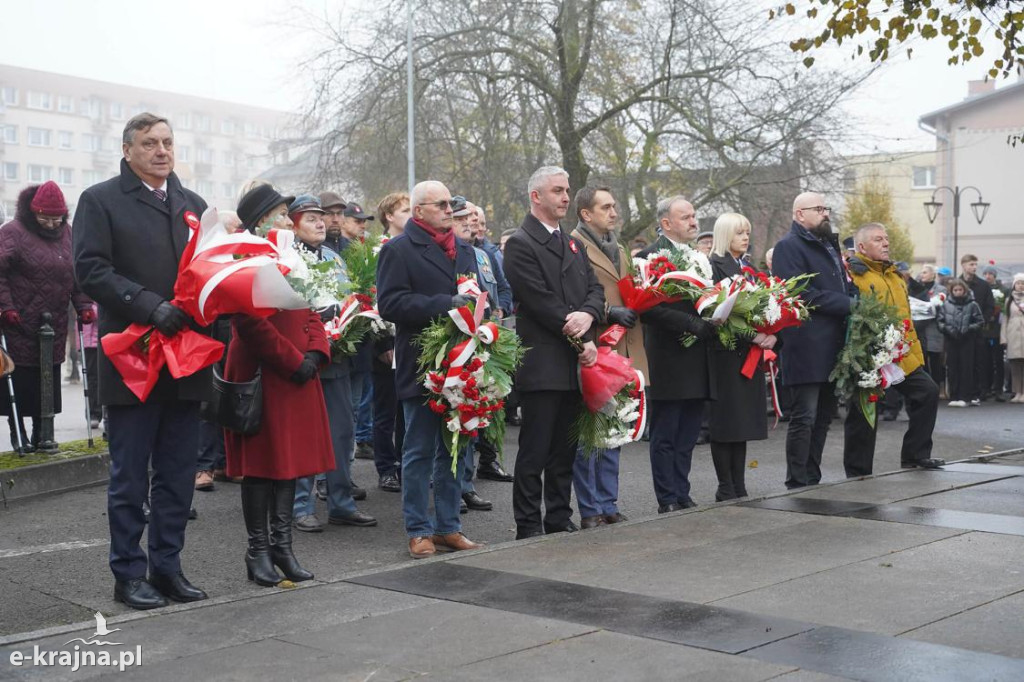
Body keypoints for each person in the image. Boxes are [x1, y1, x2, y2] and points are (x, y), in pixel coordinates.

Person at [73, 113, 210, 609]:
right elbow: (90, 269)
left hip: (186, 357)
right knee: (130, 474)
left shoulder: (193, 205)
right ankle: (128, 574)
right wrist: (149, 305)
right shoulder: (101, 200)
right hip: (134, 354)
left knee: (176, 472)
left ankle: (168, 568)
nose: (161, 150)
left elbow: (208, 275)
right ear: (127, 150)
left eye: (168, 142)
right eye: (149, 143)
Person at [223, 185, 336, 587]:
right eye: (281, 213)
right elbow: (248, 322)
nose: (289, 220)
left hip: (296, 372)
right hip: (264, 372)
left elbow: (312, 309)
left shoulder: (292, 256)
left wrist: (315, 353)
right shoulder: (242, 259)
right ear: (260, 221)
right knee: (261, 466)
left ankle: (282, 548)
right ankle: (258, 551)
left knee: (288, 464)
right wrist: (293, 361)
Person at [377, 180, 485, 559]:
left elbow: (477, 295)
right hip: (423, 362)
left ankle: (448, 526)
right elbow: (390, 304)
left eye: (450, 203)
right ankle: (418, 529)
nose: (448, 209)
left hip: (463, 359)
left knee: (456, 446)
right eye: (440, 204)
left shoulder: (466, 250)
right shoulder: (399, 250)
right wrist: (446, 303)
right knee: (419, 449)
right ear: (419, 210)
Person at [503, 166, 604, 539]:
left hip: (574, 362)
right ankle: (528, 524)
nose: (566, 197)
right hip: (545, 361)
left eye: (566, 190)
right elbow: (539, 300)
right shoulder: (520, 243)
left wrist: (589, 313)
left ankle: (559, 517)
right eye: (558, 191)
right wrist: (580, 331)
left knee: (565, 449)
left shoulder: (572, 243)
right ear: (536, 197)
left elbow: (594, 288)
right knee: (535, 450)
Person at [286, 194, 377, 532]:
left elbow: (348, 297)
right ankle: (300, 507)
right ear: (293, 224)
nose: (321, 223)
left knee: (341, 432)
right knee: (306, 435)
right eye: (311, 218)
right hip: (303, 358)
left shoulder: (334, 258)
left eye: (321, 217)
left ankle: (341, 503)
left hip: (337, 356)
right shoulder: (285, 258)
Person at [570, 186, 646, 526]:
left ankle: (608, 501)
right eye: (606, 207)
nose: (614, 212)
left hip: (623, 346)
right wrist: (608, 311)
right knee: (591, 430)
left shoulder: (619, 247)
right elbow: (573, 293)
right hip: (594, 344)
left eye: (614, 206)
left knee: (616, 426)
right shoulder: (573, 244)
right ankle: (590, 508)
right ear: (587, 214)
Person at [842, 224, 944, 475]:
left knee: (928, 392)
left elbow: (905, 317)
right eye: (878, 239)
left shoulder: (896, 274)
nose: (886, 243)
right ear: (862, 247)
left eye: (886, 239)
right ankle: (858, 472)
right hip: (867, 354)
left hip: (900, 353)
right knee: (863, 414)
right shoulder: (854, 274)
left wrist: (914, 354)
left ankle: (915, 455)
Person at [0, 181, 93, 451]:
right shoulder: (12, 233)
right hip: (17, 321)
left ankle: (43, 434)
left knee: (47, 380)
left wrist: (83, 305)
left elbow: (77, 276)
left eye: (57, 218)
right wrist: (5, 307)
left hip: (53, 321)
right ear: (33, 212)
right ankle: (19, 434)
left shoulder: (69, 234)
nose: (52, 224)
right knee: (18, 380)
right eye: (45, 218)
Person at [771, 192, 855, 489]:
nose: (825, 213)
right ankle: (797, 478)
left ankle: (812, 475)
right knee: (804, 416)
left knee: (824, 416)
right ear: (799, 214)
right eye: (818, 209)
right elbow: (800, 294)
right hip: (805, 344)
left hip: (832, 343)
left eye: (825, 208)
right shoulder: (788, 247)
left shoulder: (826, 244)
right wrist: (846, 304)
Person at [638, 195, 715, 511]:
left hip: (696, 355)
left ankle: (682, 492)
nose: (694, 222)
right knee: (667, 432)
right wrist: (691, 324)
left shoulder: (699, 257)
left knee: (688, 433)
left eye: (694, 215)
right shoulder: (648, 257)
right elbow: (648, 306)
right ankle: (667, 497)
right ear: (666, 223)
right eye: (686, 217)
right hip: (667, 356)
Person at [708, 213, 772, 500]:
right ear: (724, 236)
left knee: (742, 423)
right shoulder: (714, 266)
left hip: (749, 354)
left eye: (747, 232)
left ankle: (739, 484)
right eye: (739, 233)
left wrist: (771, 332)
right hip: (726, 354)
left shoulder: (747, 267)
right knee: (726, 423)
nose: (745, 238)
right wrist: (753, 335)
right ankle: (725, 486)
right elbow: (719, 312)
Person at [450, 196, 495, 514]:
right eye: (460, 217)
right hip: (448, 343)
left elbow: (491, 290)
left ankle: (466, 486)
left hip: (475, 340)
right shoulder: (442, 252)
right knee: (452, 420)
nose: (468, 222)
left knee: (471, 416)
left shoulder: (476, 253)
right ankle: (450, 489)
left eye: (470, 216)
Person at [371, 192, 410, 492]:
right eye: (405, 210)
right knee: (385, 409)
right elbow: (371, 299)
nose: (411, 215)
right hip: (386, 342)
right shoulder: (377, 250)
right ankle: (386, 467)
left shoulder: (412, 248)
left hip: (408, 340)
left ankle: (403, 462)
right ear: (389, 217)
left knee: (406, 410)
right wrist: (384, 341)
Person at [936, 278, 984, 407]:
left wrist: (968, 329)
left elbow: (980, 321)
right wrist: (948, 329)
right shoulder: (946, 305)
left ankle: (965, 396)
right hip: (951, 340)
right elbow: (940, 321)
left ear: (965, 290)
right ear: (951, 291)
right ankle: (954, 395)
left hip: (967, 340)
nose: (958, 292)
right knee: (952, 368)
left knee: (966, 368)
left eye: (960, 290)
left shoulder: (973, 304)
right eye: (955, 290)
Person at [960, 254, 995, 402]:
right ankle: (963, 391)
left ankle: (980, 391)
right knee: (962, 362)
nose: (974, 267)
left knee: (979, 362)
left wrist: (981, 322)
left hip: (978, 329)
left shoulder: (983, 285)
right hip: (959, 330)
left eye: (975, 264)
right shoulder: (957, 283)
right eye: (971, 264)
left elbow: (989, 306)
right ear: (963, 265)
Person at [983, 264, 1009, 401]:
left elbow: (1006, 308)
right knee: (985, 360)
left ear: (995, 275)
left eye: (990, 273)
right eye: (986, 274)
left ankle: (998, 388)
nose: (988, 276)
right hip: (985, 329)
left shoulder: (1003, 290)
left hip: (998, 329)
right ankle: (986, 388)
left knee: (998, 360)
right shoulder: (983, 287)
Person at [1001, 273, 1024, 402]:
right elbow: (1005, 319)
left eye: (1023, 283)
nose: (1021, 286)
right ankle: (1017, 392)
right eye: (1018, 283)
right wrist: (1003, 337)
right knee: (1015, 365)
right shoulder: (1008, 300)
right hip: (1013, 333)